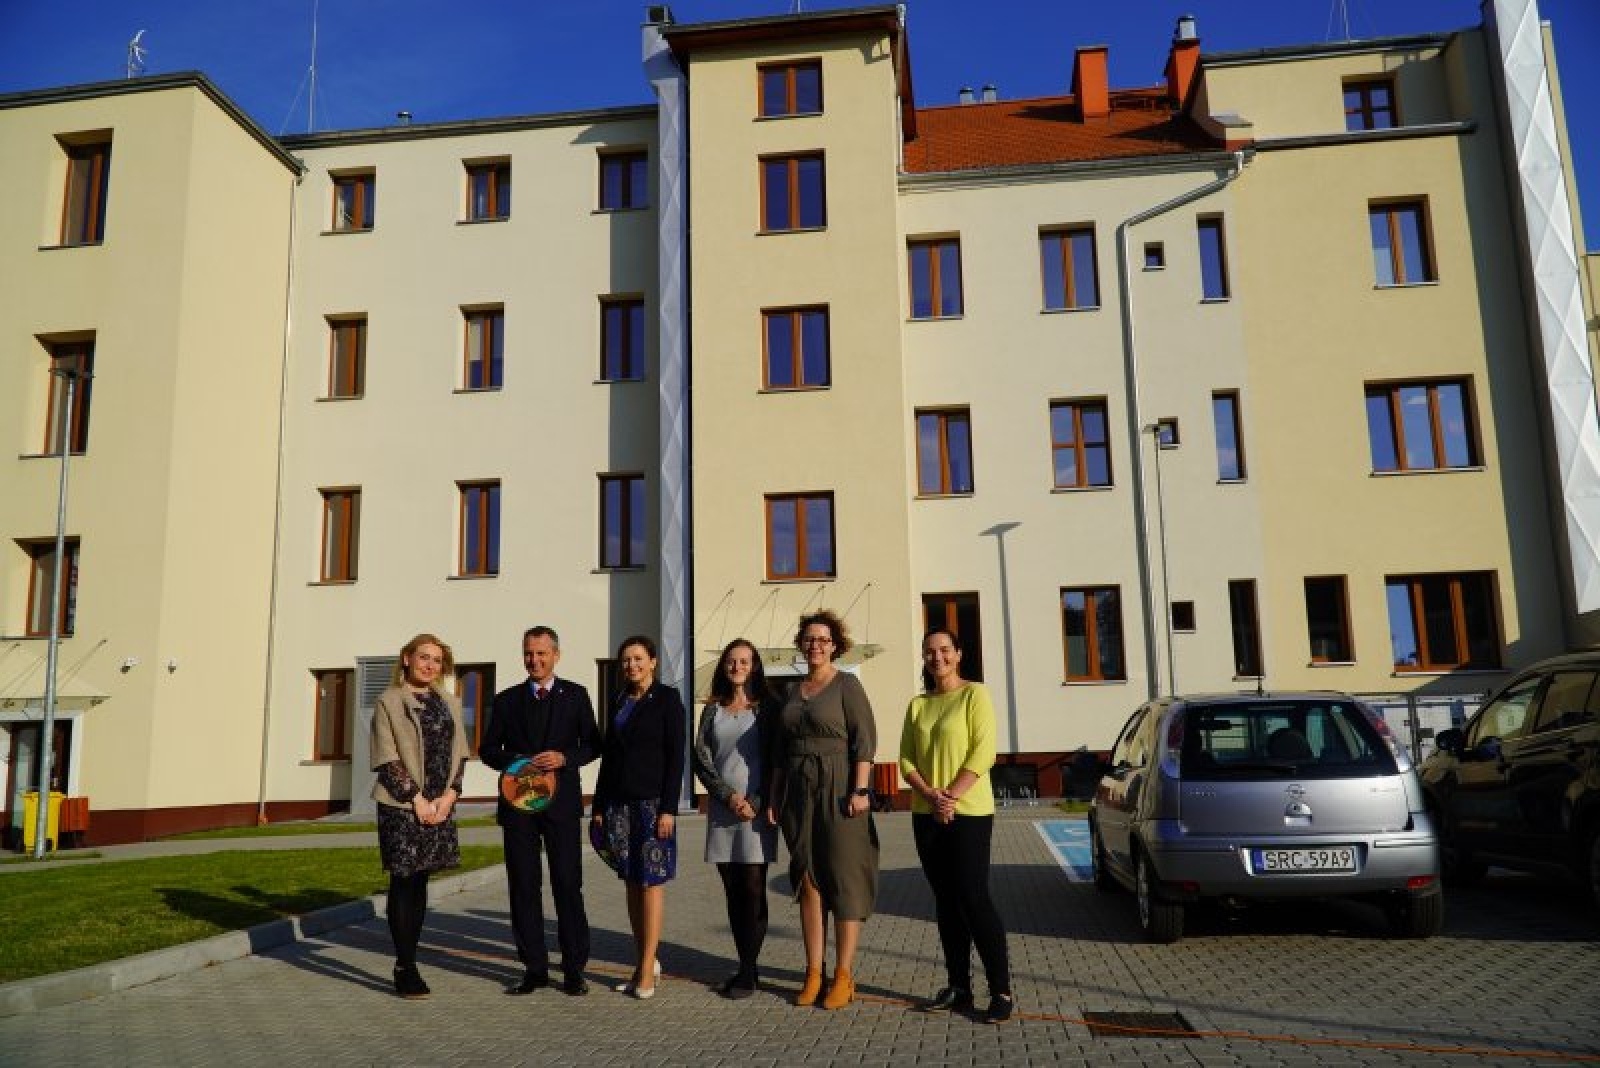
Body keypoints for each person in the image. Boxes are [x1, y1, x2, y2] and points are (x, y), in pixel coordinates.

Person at [898, 627, 1013, 1025]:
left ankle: (1000, 989)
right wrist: (930, 796)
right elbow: (905, 761)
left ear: (959, 654)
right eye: (930, 651)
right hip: (925, 813)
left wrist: (949, 797)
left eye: (945, 650)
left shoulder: (974, 695)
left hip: (969, 813)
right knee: (945, 902)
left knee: (973, 897)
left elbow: (984, 752)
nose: (937, 657)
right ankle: (958, 987)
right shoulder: (917, 705)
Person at [766, 610, 879, 1010]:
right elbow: (780, 752)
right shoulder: (793, 692)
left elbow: (864, 739)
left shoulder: (847, 685)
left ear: (835, 645)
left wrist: (861, 789)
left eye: (823, 639)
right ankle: (813, 971)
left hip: (839, 787)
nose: (816, 645)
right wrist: (775, 796)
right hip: (798, 790)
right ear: (802, 644)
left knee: (843, 879)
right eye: (809, 639)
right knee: (808, 882)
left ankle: (844, 975)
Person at [480, 625, 601, 997]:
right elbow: (488, 750)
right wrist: (516, 761)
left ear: (556, 655)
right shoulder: (506, 700)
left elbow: (593, 744)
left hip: (562, 806)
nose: (534, 660)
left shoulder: (576, 695)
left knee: (568, 884)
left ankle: (573, 969)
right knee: (524, 886)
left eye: (541, 653)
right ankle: (534, 968)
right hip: (519, 806)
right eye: (529, 653)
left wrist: (565, 757)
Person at [370, 632, 471, 1000]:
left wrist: (449, 796)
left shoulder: (450, 702)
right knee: (404, 881)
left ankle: (410, 957)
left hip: (440, 805)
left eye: (437, 660)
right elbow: (386, 757)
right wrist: (417, 800)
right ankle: (404, 965)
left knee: (421, 883)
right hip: (402, 807)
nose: (430, 665)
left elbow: (460, 753)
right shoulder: (389, 701)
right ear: (407, 659)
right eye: (423, 657)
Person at [591, 635, 686, 999]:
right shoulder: (618, 701)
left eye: (638, 659)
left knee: (650, 883)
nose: (631, 665)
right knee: (631, 881)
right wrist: (599, 806)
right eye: (626, 660)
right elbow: (609, 758)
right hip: (618, 804)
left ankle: (647, 967)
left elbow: (676, 758)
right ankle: (642, 960)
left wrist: (668, 809)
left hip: (651, 806)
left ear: (653, 662)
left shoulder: (667, 700)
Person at [691, 638, 779, 999]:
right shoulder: (711, 709)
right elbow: (701, 758)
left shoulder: (767, 708)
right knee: (733, 891)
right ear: (724, 667)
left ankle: (748, 970)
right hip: (723, 811)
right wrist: (728, 797)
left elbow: (775, 758)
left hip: (756, 812)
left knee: (754, 889)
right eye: (731, 661)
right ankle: (746, 964)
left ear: (754, 665)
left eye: (744, 661)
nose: (737, 667)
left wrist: (754, 802)